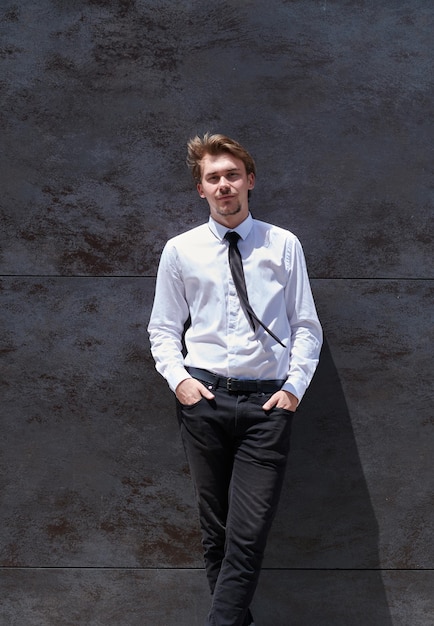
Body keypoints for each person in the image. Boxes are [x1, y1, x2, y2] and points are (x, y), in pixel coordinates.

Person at [148, 133, 322, 626]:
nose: (223, 185)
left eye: (231, 175)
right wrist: (180, 382)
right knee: (217, 533)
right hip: (204, 401)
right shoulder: (180, 251)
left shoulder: (283, 244)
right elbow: (163, 329)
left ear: (249, 181)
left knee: (247, 534)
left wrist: (293, 390)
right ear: (200, 190)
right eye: (212, 178)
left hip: (267, 407)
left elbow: (306, 325)